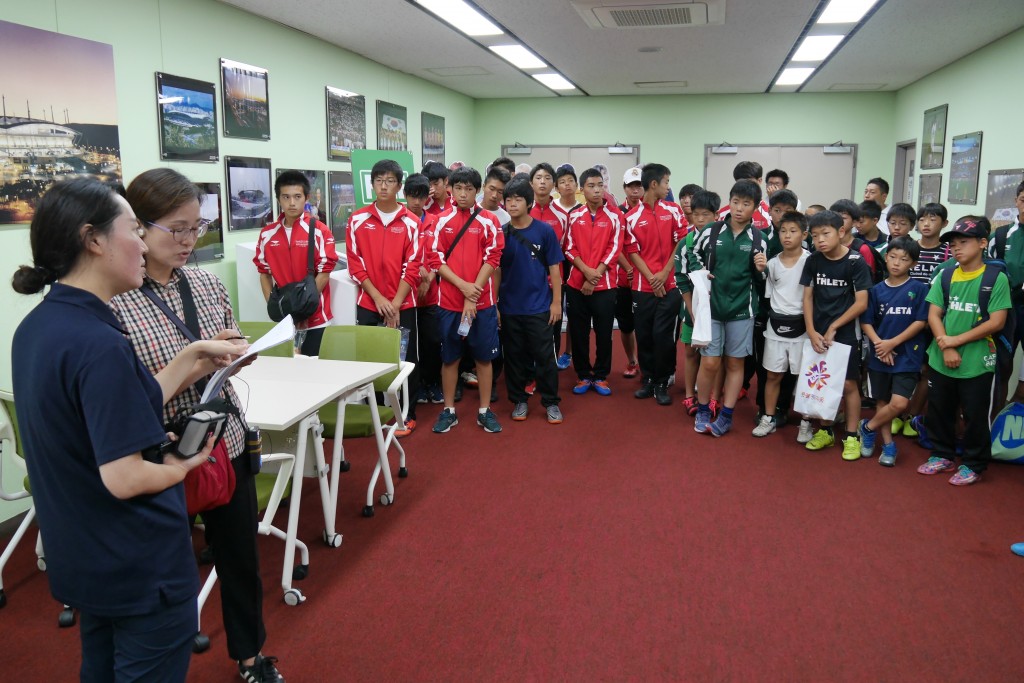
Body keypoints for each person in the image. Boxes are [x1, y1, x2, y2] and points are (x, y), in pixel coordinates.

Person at [11, 177, 243, 681]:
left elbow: (129, 403)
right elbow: (126, 477)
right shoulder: (100, 344)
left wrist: (191, 356)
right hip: (137, 560)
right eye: (134, 230)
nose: (142, 244)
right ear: (93, 239)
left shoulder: (40, 327)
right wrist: (184, 464)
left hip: (86, 553)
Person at [109, 169, 285, 682]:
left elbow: (227, 339)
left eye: (198, 227)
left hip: (224, 438)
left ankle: (250, 656)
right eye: (178, 229)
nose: (190, 241)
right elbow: (127, 392)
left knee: (241, 558)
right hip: (159, 449)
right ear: (139, 228)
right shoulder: (116, 299)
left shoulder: (206, 283)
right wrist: (196, 364)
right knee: (164, 567)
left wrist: (237, 353)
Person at [918, 217, 1010, 485]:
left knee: (975, 414)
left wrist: (954, 342)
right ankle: (942, 454)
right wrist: (945, 344)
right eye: (954, 244)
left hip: (977, 361)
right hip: (941, 356)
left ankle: (974, 463)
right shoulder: (946, 275)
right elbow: (934, 314)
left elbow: (997, 322)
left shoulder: (995, 278)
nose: (957, 248)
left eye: (964, 242)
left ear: (982, 243)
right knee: (939, 410)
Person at [345, 159, 422, 435]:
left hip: (404, 303)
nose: (384, 186)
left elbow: (413, 266)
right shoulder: (357, 220)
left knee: (406, 360)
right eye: (379, 181)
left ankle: (408, 413)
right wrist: (379, 299)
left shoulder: (412, 222)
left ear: (399, 186)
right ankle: (376, 411)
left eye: (390, 181)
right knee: (370, 358)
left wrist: (395, 304)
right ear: (372, 184)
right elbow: (355, 264)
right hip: (369, 302)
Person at [429, 166, 505, 434]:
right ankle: (448, 410)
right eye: (458, 188)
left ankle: (484, 411)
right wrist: (463, 287)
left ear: (477, 190)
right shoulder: (439, 220)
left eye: (469, 189)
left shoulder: (489, 221)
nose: (463, 194)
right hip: (449, 302)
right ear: (451, 189)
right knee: (450, 359)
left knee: (484, 359)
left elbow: (493, 258)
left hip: (482, 303)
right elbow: (435, 258)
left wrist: (473, 292)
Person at [688, 180, 768, 436]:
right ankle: (703, 409)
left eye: (746, 204)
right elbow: (692, 254)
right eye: (735, 202)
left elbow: (763, 280)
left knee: (734, 363)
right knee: (710, 362)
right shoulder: (711, 231)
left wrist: (761, 270)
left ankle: (726, 416)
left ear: (755, 207)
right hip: (711, 309)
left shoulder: (759, 238)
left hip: (742, 311)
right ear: (729, 202)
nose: (739, 208)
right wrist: (701, 273)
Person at [799, 210, 873, 459]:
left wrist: (834, 327)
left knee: (849, 383)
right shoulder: (813, 260)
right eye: (815, 235)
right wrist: (811, 330)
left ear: (841, 232)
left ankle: (851, 435)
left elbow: (861, 302)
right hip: (817, 332)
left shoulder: (855, 262)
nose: (820, 240)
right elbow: (807, 298)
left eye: (825, 234)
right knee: (822, 381)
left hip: (846, 332)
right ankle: (826, 430)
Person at [496, 178, 564, 424]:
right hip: (509, 307)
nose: (512, 204)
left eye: (518, 199)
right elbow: (496, 271)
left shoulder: (544, 231)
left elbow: (554, 269)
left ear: (528, 202)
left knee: (545, 358)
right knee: (514, 357)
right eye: (509, 200)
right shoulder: (501, 233)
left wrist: (556, 303)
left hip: (539, 307)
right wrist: (495, 304)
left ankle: (551, 402)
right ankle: (519, 400)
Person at [857, 237, 930, 466]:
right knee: (882, 401)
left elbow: (920, 322)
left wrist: (892, 343)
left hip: (907, 355)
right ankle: (888, 445)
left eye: (904, 259)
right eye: (893, 257)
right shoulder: (875, 290)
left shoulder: (920, 289)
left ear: (914, 264)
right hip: (880, 355)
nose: (897, 263)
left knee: (899, 404)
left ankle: (867, 427)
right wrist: (881, 345)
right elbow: (866, 322)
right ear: (886, 257)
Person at [254, 170, 339, 356]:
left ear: (306, 198)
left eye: (297, 197)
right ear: (279, 199)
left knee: (316, 370)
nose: (292, 203)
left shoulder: (320, 231)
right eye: (286, 197)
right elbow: (264, 273)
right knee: (287, 370)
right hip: (285, 322)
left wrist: (302, 309)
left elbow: (324, 273)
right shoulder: (267, 234)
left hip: (316, 319)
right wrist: (277, 307)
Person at [624, 163, 687, 405]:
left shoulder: (673, 210)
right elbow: (632, 251)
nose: (668, 187)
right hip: (643, 287)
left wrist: (665, 273)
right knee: (645, 334)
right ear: (654, 184)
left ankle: (662, 380)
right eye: (666, 182)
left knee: (663, 335)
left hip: (670, 285)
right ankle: (648, 379)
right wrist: (652, 277)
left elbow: (681, 242)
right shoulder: (631, 217)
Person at [564, 168, 623, 396]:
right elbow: (569, 248)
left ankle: (600, 376)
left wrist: (594, 274)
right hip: (576, 285)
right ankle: (582, 375)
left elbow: (614, 249)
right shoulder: (574, 216)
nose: (597, 190)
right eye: (591, 186)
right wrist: (586, 272)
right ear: (582, 189)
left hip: (605, 286)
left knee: (604, 333)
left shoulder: (615, 216)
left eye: (600, 185)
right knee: (579, 333)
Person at [753, 211, 810, 439]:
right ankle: (768, 418)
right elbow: (769, 294)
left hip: (803, 329)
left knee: (804, 378)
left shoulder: (811, 261)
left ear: (804, 234)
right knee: (773, 375)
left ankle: (806, 422)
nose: (787, 235)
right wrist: (761, 270)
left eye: (793, 231)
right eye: (783, 231)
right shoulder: (773, 263)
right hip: (776, 327)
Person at [676, 190, 722, 417]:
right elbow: (681, 280)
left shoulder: (723, 241)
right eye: (696, 214)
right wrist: (692, 310)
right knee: (691, 352)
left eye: (706, 214)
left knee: (716, 355)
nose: (700, 219)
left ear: (716, 215)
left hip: (720, 308)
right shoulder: (685, 243)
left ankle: (714, 398)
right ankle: (688, 395)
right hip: (692, 308)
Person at [406, 173, 445, 406]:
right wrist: (417, 271)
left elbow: (439, 254)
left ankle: (433, 382)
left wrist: (428, 277)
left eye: (421, 197)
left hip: (430, 294)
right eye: (412, 196)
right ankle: (416, 385)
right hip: (405, 295)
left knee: (432, 341)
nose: (416, 202)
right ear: (405, 195)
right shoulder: (400, 220)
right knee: (410, 345)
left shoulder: (435, 221)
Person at [530, 163, 572, 369]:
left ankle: (549, 367)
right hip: (527, 282)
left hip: (553, 282)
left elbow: (564, 250)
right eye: (538, 178)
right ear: (531, 183)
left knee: (552, 325)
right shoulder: (523, 211)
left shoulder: (562, 216)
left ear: (553, 184)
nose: (542, 182)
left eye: (547, 178)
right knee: (529, 326)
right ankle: (530, 370)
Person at [615, 167, 644, 377]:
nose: (635, 190)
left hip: (646, 279)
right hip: (623, 279)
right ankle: (632, 361)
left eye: (639, 185)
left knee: (645, 325)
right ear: (624, 188)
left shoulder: (650, 211)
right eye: (631, 186)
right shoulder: (617, 213)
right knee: (626, 325)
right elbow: (613, 246)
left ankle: (647, 364)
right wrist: (628, 268)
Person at [718, 161, 771, 230]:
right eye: (740, 182)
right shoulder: (722, 214)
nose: (744, 185)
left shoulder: (768, 214)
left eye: (749, 181)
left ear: (759, 181)